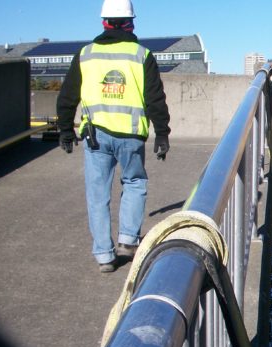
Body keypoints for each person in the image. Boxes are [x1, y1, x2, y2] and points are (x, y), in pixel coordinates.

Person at [57, 0, 170, 273]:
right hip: (131, 136)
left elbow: (67, 96)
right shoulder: (141, 55)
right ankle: (128, 241)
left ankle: (104, 256)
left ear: (104, 22)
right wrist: (162, 133)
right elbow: (155, 99)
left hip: (95, 136)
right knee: (134, 182)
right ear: (131, 22)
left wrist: (64, 130)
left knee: (97, 195)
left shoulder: (86, 54)